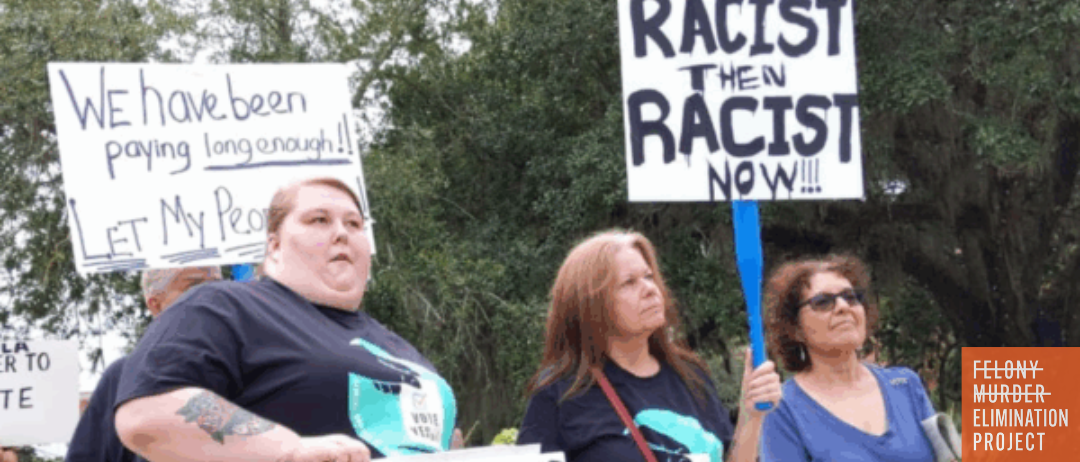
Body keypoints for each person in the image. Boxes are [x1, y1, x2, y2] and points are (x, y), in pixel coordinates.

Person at [114, 177, 457, 462]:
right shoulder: (223, 306)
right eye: (319, 220)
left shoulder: (396, 345)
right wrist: (286, 450)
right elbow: (147, 412)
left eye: (354, 224)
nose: (341, 232)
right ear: (274, 246)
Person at [518, 230, 781, 462]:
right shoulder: (560, 392)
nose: (650, 289)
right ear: (590, 305)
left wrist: (751, 415)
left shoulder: (691, 375)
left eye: (649, 276)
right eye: (629, 283)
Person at [759, 254, 937, 461]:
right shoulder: (782, 408)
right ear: (795, 329)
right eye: (822, 302)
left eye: (851, 297)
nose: (843, 306)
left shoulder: (906, 385)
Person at [64, 266, 222, 462]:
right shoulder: (123, 377)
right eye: (194, 287)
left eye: (219, 284)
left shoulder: (252, 367)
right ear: (156, 305)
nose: (214, 295)